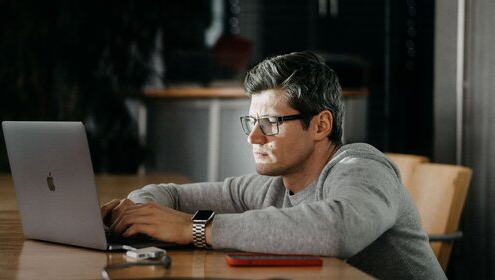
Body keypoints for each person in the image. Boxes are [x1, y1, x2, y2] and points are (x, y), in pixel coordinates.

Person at [101, 50, 446, 279]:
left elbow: (336, 230)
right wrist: (140, 213)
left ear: (321, 126)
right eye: (250, 122)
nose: (254, 137)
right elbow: (170, 196)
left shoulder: (362, 167)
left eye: (270, 123)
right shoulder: (272, 186)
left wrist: (195, 229)